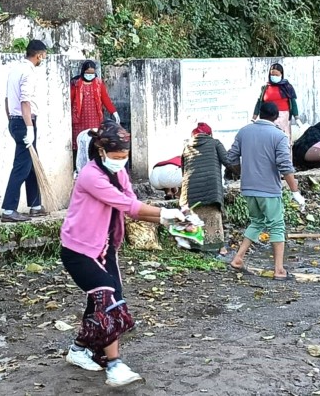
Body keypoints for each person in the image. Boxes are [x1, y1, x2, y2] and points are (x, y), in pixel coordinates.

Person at [60, 120, 189, 387]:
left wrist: (174, 220)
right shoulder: (90, 176)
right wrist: (166, 213)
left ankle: (79, 349)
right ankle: (114, 365)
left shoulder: (119, 174)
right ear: (101, 151)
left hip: (105, 249)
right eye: (117, 156)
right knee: (107, 300)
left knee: (103, 301)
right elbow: (128, 206)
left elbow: (134, 204)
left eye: (125, 156)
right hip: (79, 250)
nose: (121, 161)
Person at [227, 102, 306, 280]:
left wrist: (243, 173)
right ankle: (279, 270)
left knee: (257, 222)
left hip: (248, 188)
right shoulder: (279, 136)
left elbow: (231, 158)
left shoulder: (244, 132)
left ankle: (238, 259)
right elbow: (285, 166)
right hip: (269, 190)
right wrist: (295, 191)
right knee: (276, 225)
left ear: (260, 114)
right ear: (276, 117)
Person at [1, 40, 47, 222]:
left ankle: (35, 205)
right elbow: (25, 101)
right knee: (22, 166)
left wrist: (12, 121)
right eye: (44, 56)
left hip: (15, 120)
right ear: (39, 55)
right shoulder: (28, 72)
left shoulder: (15, 70)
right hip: (25, 121)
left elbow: (7, 99)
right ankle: (8, 209)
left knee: (31, 163)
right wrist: (29, 127)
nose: (43, 59)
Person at [180, 123, 230, 256]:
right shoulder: (215, 143)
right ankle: (220, 247)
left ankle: (194, 245)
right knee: (214, 215)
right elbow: (228, 161)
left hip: (190, 188)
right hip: (211, 186)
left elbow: (184, 170)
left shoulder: (187, 146)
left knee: (194, 215)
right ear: (209, 134)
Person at [70, 60, 119, 169]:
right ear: (83, 71)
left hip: (95, 118)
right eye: (88, 73)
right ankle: (78, 167)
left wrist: (114, 112)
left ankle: (95, 165)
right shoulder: (76, 84)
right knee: (80, 142)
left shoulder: (98, 83)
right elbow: (69, 100)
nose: (90, 75)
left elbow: (105, 98)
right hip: (79, 119)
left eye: (92, 73)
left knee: (95, 141)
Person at [252, 63, 298, 142]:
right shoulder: (265, 88)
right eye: (272, 74)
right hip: (267, 117)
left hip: (283, 117)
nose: (274, 76)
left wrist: (297, 118)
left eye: (276, 75)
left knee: (282, 138)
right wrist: (254, 117)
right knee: (268, 139)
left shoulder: (287, 87)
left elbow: (293, 103)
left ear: (281, 74)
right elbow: (259, 102)